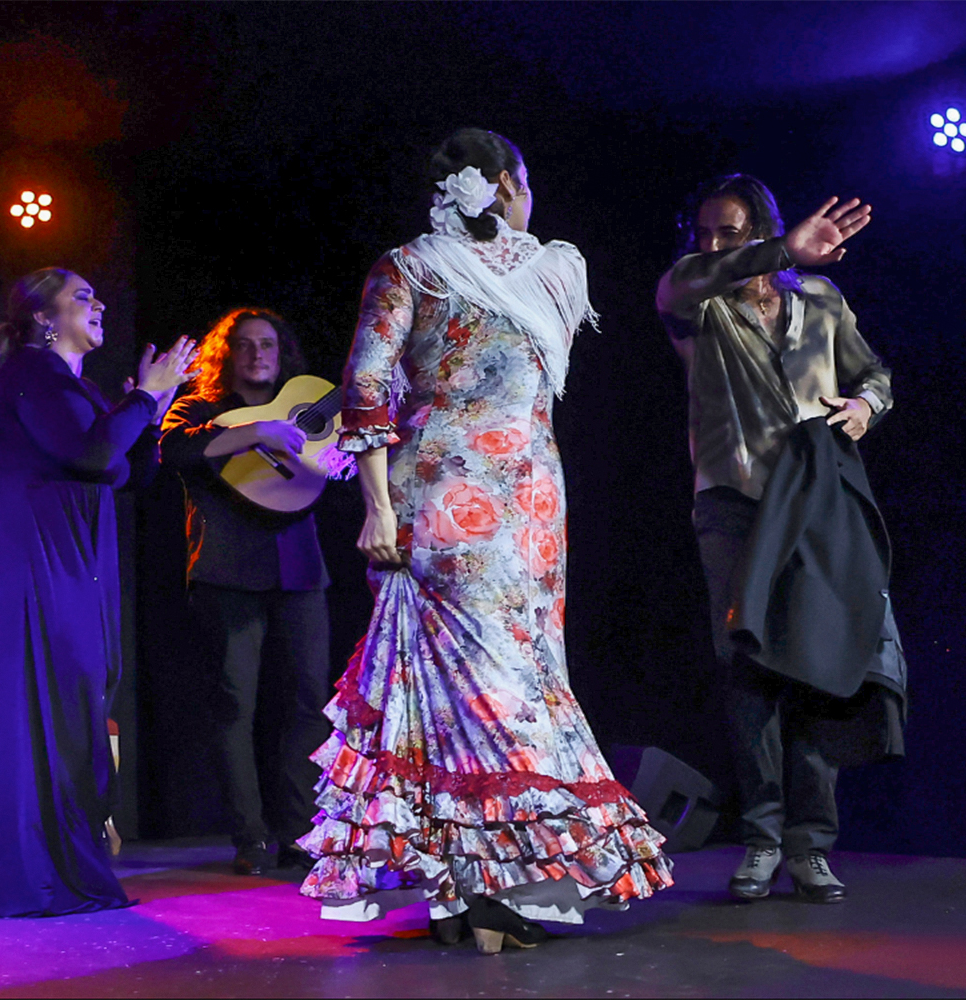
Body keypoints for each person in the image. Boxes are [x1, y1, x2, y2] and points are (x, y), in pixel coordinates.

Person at [297, 129, 673, 954]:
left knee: (453, 689)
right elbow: (376, 389)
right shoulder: (553, 269)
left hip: (444, 485)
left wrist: (378, 508)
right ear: (505, 184)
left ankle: (465, 888)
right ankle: (497, 888)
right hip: (524, 485)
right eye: (524, 183)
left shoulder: (411, 266)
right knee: (512, 679)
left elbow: (367, 387)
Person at [0, 267, 197, 916]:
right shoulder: (32, 373)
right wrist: (142, 398)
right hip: (18, 564)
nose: (98, 303)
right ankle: (20, 872)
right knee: (30, 706)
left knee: (66, 698)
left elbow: (125, 473)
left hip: (53, 561)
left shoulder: (69, 387)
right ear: (44, 319)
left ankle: (47, 861)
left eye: (97, 294)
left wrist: (151, 411)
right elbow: (94, 454)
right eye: (81, 296)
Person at [655, 174, 887, 905]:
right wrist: (779, 250)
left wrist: (864, 406)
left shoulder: (821, 300)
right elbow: (682, 282)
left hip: (815, 503)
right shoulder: (699, 302)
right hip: (734, 503)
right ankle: (760, 839)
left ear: (758, 227)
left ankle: (810, 845)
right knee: (749, 668)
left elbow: (874, 373)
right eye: (705, 234)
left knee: (815, 663)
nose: (712, 244)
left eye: (729, 232)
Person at [159, 308, 334, 877]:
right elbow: (174, 449)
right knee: (236, 704)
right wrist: (255, 432)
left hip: (300, 570)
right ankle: (250, 837)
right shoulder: (198, 408)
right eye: (246, 345)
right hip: (227, 572)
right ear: (228, 354)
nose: (258, 354)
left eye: (268, 345)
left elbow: (340, 464)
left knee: (309, 700)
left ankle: (299, 833)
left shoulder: (305, 408)